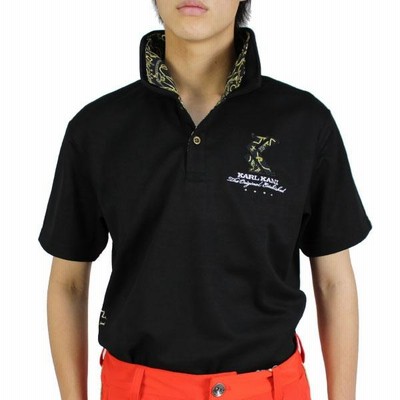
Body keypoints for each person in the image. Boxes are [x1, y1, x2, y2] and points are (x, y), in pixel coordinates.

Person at [38, 1, 372, 399]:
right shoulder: (97, 129)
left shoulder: (305, 124)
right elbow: (69, 284)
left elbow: (334, 281)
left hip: (268, 389)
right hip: (138, 389)